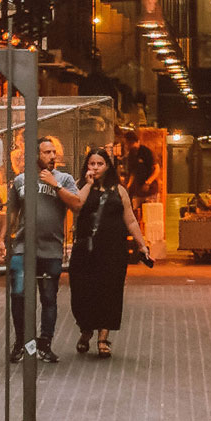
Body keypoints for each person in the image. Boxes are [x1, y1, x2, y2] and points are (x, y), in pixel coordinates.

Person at [0, 136, 82, 364]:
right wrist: (2, 239)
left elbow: (76, 204)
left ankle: (45, 344)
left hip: (51, 248)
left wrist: (55, 184)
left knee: (49, 297)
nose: (52, 156)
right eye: (47, 152)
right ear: (36, 155)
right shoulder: (21, 181)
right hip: (23, 246)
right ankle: (22, 342)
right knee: (19, 293)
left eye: (54, 152)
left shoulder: (64, 178)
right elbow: (12, 212)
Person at [68, 148, 149, 359]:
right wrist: (88, 183)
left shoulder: (119, 190)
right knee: (82, 293)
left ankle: (103, 338)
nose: (95, 168)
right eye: (91, 164)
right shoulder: (80, 187)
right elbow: (76, 207)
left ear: (108, 166)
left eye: (99, 164)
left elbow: (130, 219)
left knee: (110, 292)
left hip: (112, 251)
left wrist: (142, 245)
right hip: (86, 251)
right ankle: (86, 330)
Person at [123, 129, 160, 221]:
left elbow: (157, 169)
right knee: (137, 216)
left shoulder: (146, 152)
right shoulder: (131, 155)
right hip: (138, 191)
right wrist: (127, 186)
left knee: (150, 218)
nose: (128, 146)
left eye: (129, 143)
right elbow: (132, 173)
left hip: (150, 190)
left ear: (135, 142)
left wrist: (148, 183)